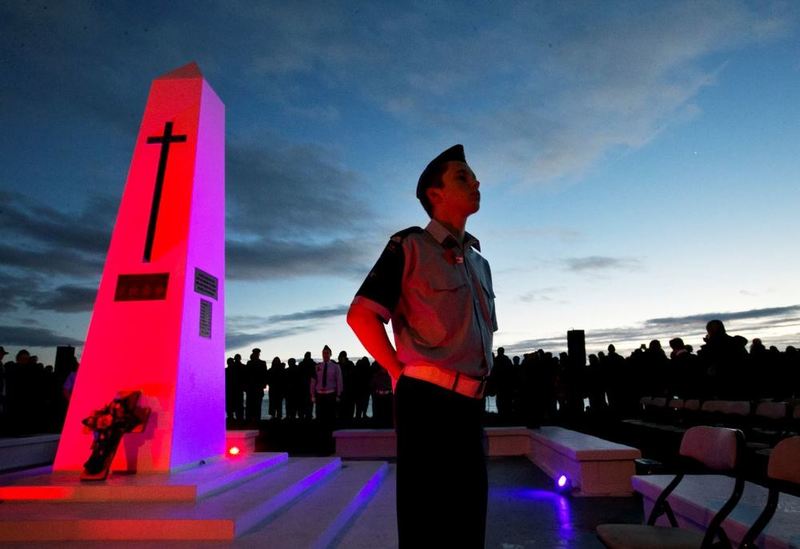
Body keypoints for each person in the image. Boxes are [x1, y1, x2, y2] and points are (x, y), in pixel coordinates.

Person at [347, 144, 497, 547]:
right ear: (436, 194)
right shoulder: (410, 246)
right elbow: (361, 314)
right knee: (426, 522)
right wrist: (397, 373)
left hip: (470, 405)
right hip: (427, 402)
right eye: (463, 177)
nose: (476, 182)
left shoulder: (479, 262)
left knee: (469, 518)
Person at [310, 345, 342, 427]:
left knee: (331, 416)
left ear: (330, 354)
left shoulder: (335, 366)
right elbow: (313, 381)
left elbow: (339, 381)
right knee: (319, 416)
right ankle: (321, 435)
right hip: (319, 395)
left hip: (331, 394)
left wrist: (338, 395)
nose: (325, 355)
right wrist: (312, 395)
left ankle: (331, 434)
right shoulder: (317, 366)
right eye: (323, 353)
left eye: (327, 353)